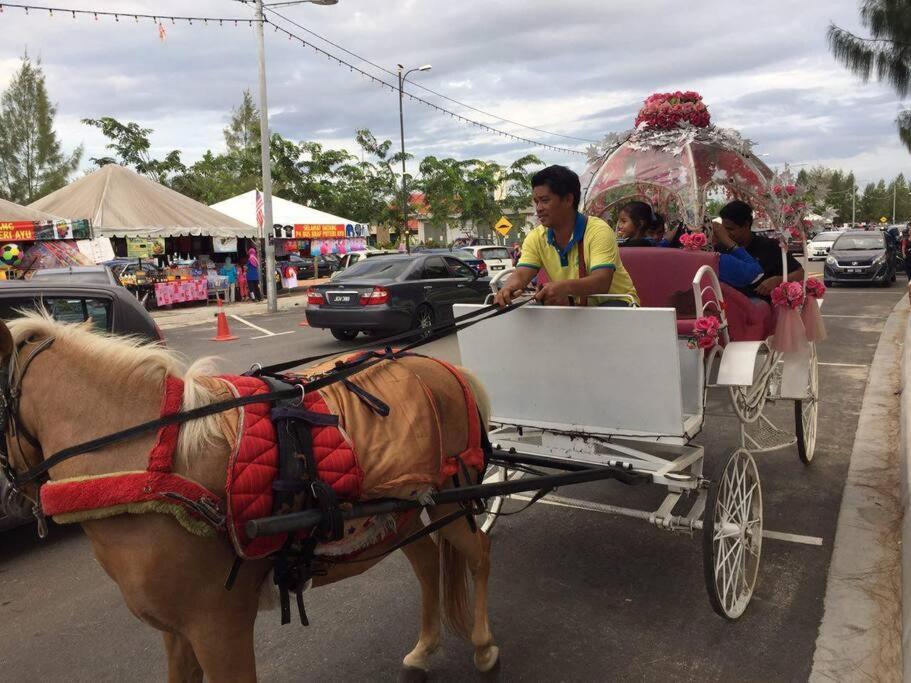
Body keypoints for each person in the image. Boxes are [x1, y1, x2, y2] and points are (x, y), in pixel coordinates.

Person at [494, 165, 639, 307]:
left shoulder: (598, 231)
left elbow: (601, 282)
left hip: (617, 306)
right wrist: (507, 289)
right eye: (536, 202)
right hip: (573, 309)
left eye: (545, 200)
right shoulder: (536, 237)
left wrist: (563, 288)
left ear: (568, 200)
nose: (538, 209)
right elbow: (521, 275)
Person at [719, 200, 803, 299]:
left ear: (746, 224)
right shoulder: (721, 248)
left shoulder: (770, 246)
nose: (726, 234)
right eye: (724, 229)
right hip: (730, 308)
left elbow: (800, 273)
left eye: (731, 229)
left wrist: (778, 280)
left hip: (764, 308)